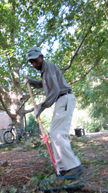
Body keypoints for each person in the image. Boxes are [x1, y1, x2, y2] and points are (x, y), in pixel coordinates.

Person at [24, 46, 84, 177]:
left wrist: (41, 107)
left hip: (64, 98)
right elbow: (43, 84)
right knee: (54, 132)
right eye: (31, 62)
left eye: (35, 61)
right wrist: (32, 81)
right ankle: (62, 168)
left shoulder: (49, 66)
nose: (34, 64)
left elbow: (55, 91)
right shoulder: (45, 72)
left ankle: (74, 166)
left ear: (42, 57)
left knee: (58, 133)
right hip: (61, 101)